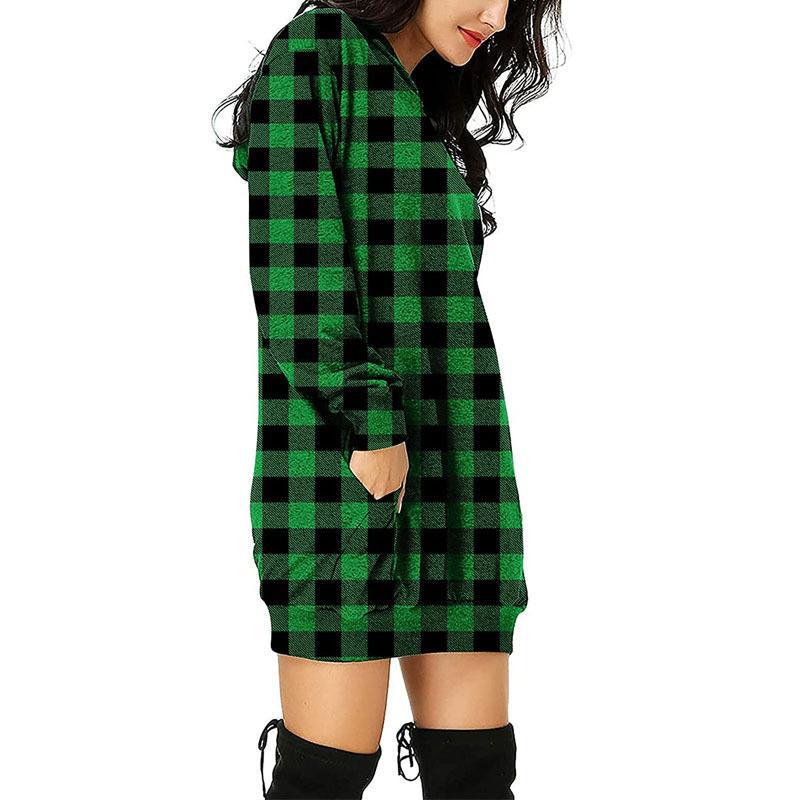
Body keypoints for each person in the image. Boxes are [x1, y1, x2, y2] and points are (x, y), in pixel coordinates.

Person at [213, 1, 563, 796]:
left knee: (475, 774)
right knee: (325, 778)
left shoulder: (427, 105)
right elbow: (296, 268)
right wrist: (371, 425)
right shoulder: (318, 51)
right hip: (344, 471)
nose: (497, 15)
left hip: (463, 477)